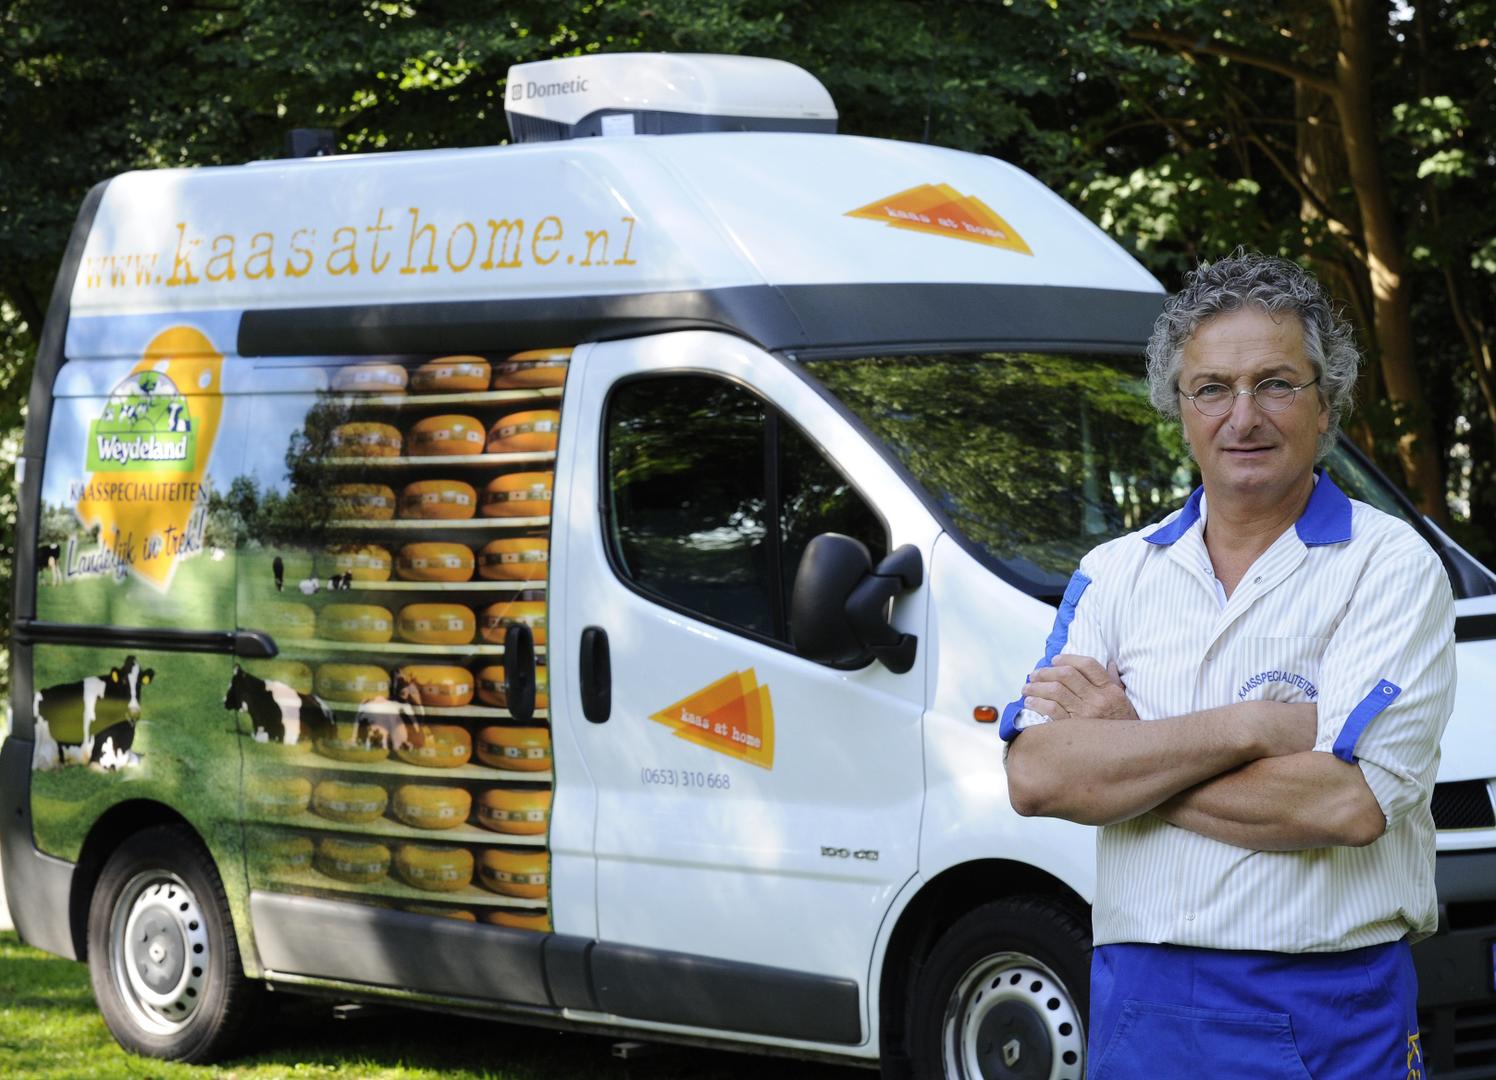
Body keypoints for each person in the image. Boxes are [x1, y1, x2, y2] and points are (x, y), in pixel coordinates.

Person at [1001, 250, 1455, 1080]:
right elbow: (1036, 776)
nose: (1243, 416)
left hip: (1326, 1007)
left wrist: (1127, 755)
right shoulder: (1114, 570)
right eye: (1212, 388)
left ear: (1326, 403)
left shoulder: (1389, 566)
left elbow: (1346, 801)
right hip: (1138, 1007)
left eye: (1275, 384)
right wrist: (1249, 728)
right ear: (1180, 409)